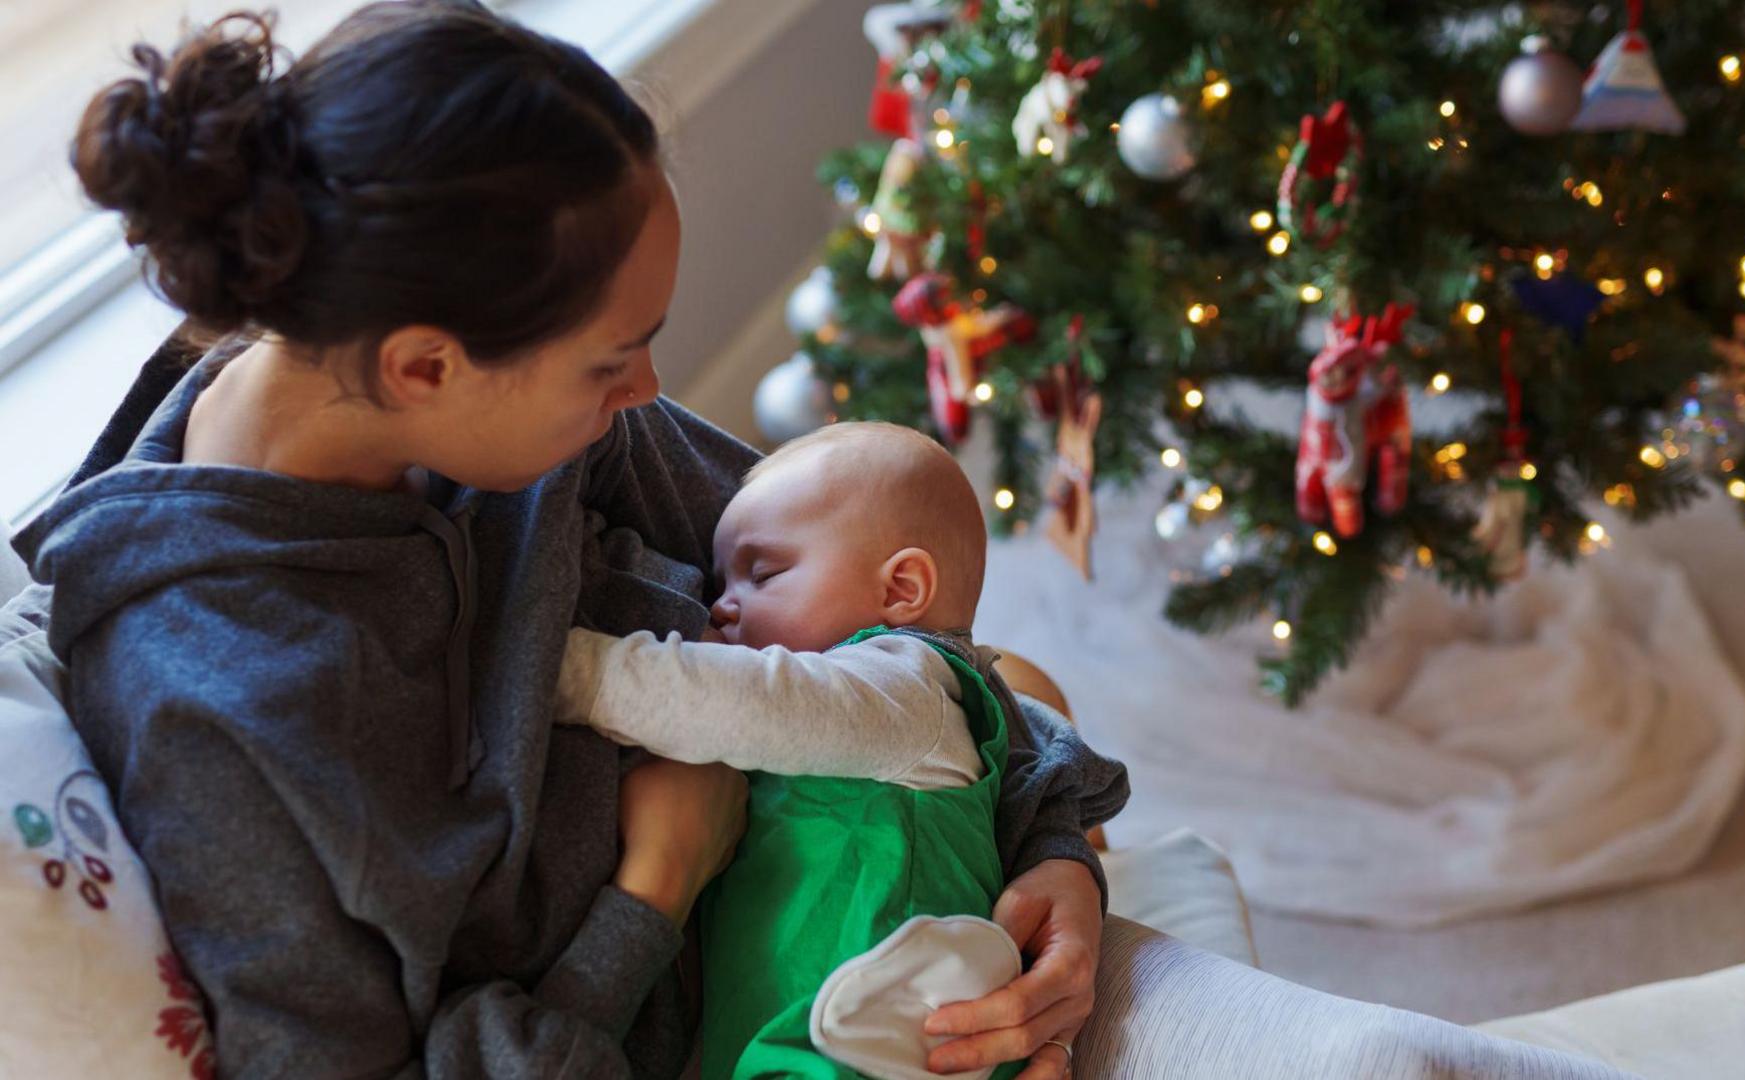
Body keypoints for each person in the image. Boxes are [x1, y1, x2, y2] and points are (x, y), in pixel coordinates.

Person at [12, 4, 1121, 1075]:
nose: (644, 389)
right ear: (424, 365)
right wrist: (656, 890)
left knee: (1045, 682)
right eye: (612, 358)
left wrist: (1055, 847)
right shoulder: (228, 707)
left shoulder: (529, 426)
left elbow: (902, 635)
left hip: (901, 905)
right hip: (744, 1034)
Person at [555, 421, 1121, 1077]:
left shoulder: (907, 685)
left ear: (902, 590)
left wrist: (561, 671)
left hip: (884, 1048)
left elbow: (749, 703)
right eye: (720, 584)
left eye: (761, 574)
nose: (722, 607)